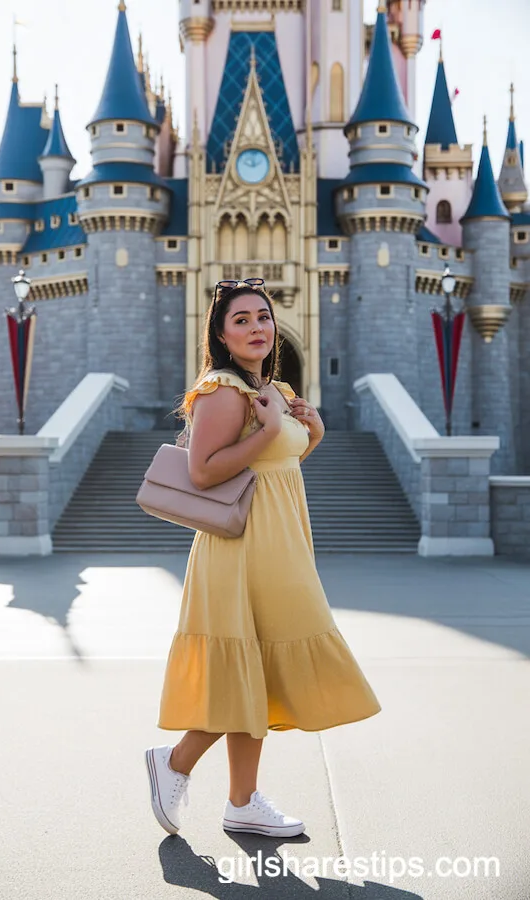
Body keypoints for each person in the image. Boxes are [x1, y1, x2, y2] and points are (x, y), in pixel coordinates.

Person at [145, 278, 381, 838]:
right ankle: (176, 764)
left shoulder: (270, 387)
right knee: (245, 669)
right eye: (242, 320)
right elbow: (204, 471)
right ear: (222, 335)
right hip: (241, 548)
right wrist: (273, 426)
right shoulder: (223, 390)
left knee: (262, 670)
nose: (257, 327)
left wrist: (311, 433)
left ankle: (241, 801)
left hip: (281, 544)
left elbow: (276, 467)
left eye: (263, 316)